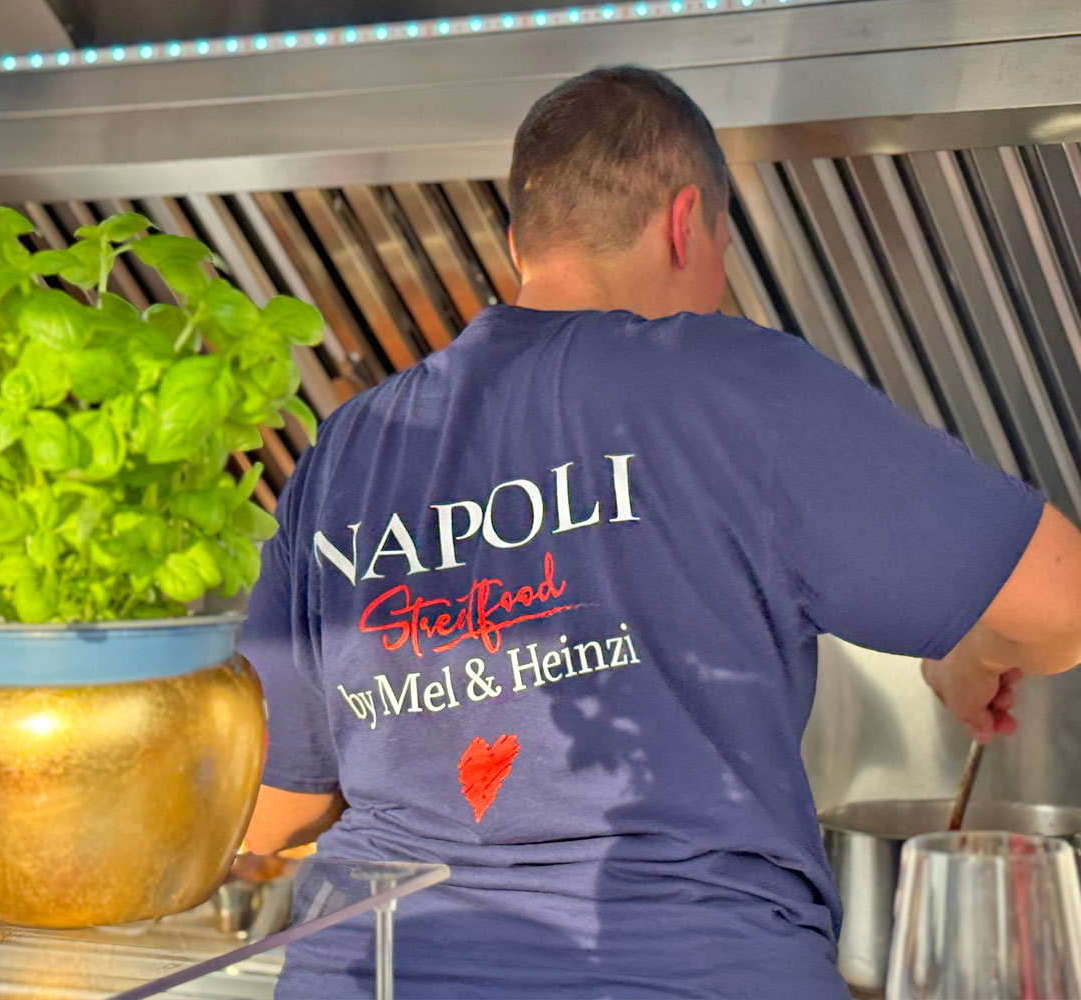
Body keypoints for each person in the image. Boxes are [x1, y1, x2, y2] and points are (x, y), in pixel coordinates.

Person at [237, 66, 1081, 998]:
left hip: (369, 974)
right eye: (723, 244)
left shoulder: (346, 447)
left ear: (520, 244)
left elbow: (271, 806)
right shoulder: (732, 380)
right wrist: (974, 646)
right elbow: (1063, 605)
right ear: (687, 223)